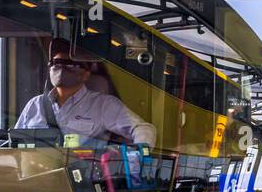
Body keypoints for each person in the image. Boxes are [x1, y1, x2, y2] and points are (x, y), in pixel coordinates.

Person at [15, 44, 157, 146]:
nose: (61, 68)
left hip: (81, 180)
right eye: (56, 63)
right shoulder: (35, 104)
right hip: (36, 177)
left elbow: (143, 128)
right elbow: (15, 141)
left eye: (70, 64)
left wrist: (137, 159)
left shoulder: (103, 105)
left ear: (85, 74)